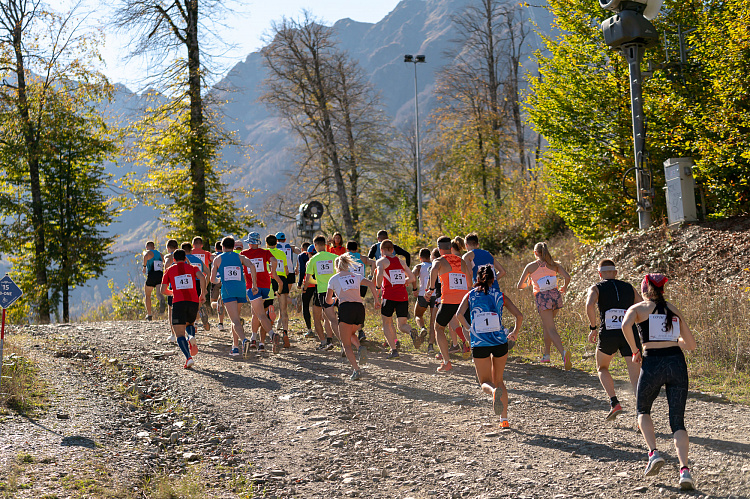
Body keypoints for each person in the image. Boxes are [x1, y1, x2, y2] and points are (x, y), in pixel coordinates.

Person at [621, 274, 696, 490]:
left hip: (652, 363)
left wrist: (636, 350)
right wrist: (672, 340)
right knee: (678, 422)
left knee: (642, 410)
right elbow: (690, 344)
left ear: (644, 290)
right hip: (676, 363)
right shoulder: (673, 309)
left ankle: (653, 453)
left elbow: (626, 326)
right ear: (662, 290)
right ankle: (684, 471)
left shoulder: (638, 308)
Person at [457, 264, 522, 428]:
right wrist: (514, 332)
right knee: (499, 380)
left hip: (480, 342)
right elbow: (519, 315)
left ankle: (493, 393)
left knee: (485, 382)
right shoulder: (500, 295)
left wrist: (468, 328)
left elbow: (458, 314)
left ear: (477, 279)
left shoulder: (471, 295)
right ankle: (504, 420)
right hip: (500, 341)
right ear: (493, 279)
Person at [585, 259, 643, 420]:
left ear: (599, 273)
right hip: (629, 334)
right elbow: (642, 306)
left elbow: (589, 305)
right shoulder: (629, 287)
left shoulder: (596, 288)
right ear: (616, 273)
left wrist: (593, 327)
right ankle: (641, 414)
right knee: (636, 377)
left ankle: (614, 402)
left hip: (608, 334)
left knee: (602, 367)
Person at [516, 242, 572, 370]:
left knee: (550, 328)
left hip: (543, 298)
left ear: (535, 253)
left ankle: (564, 354)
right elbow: (567, 277)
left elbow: (519, 286)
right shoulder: (554, 265)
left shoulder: (530, 267)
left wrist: (529, 283)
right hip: (556, 296)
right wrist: (564, 287)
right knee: (548, 325)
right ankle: (546, 355)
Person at [326, 254, 380, 380]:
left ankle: (356, 370)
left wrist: (334, 300)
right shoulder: (356, 276)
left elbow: (328, 300)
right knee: (350, 333)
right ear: (347, 265)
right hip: (359, 309)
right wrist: (376, 301)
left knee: (346, 344)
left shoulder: (333, 279)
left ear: (336, 266)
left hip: (346, 309)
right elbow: (372, 285)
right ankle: (360, 347)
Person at [424, 236, 472, 372]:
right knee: (469, 327)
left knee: (439, 328)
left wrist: (431, 289)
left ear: (439, 249)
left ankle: (446, 362)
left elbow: (433, 270)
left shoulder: (439, 260)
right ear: (451, 248)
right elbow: (469, 277)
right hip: (464, 300)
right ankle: (481, 355)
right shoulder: (461, 261)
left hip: (449, 301)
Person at [210, 236, 259, 357]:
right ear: (233, 246)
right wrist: (254, 284)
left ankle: (244, 340)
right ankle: (235, 347)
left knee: (235, 320)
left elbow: (212, 279)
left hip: (228, 290)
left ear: (222, 247)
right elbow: (252, 266)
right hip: (240, 289)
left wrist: (219, 280)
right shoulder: (240, 257)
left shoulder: (217, 259)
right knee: (236, 319)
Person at [160, 249, 207, 369]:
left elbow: (163, 290)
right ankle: (191, 336)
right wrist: (202, 293)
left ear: (174, 260)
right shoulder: (192, 268)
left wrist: (173, 292)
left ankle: (188, 358)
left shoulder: (169, 270)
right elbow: (202, 277)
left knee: (179, 334)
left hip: (179, 302)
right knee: (190, 323)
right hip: (193, 301)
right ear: (185, 259)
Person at [375, 239, 419, 359]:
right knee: (402, 325)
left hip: (389, 295)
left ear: (382, 250)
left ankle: (394, 350)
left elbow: (379, 275)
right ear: (393, 250)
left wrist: (378, 288)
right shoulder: (401, 261)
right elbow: (412, 278)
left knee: (387, 323)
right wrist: (403, 281)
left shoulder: (381, 261)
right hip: (402, 296)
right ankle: (411, 331)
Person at [240, 232, 283, 353]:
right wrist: (273, 273)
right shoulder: (265, 252)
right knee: (256, 312)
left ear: (249, 242)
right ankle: (255, 339)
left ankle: (272, 335)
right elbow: (274, 261)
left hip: (253, 287)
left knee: (260, 315)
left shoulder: (244, 254)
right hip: (265, 286)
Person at [306, 235, 339, 351]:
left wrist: (317, 281)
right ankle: (329, 341)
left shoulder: (313, 260)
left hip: (323, 291)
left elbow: (308, 279)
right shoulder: (335, 257)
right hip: (337, 290)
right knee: (327, 317)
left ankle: (341, 343)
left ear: (315, 246)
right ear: (325, 245)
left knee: (330, 318)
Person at [345, 240, 376, 341]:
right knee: (359, 305)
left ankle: (352, 329)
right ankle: (360, 330)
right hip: (361, 284)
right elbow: (374, 263)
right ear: (357, 248)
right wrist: (371, 276)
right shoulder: (362, 257)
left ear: (347, 248)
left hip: (350, 283)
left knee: (350, 306)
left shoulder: (345, 257)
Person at [267, 234, 292, 349]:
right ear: (276, 243)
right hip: (282, 279)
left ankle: (271, 334)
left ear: (266, 243)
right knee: (284, 310)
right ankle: (285, 333)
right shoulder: (282, 253)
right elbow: (287, 271)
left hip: (270, 279)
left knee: (267, 307)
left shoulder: (265, 252)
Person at [182, 242, 210, 333]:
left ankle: (192, 324)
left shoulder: (183, 260)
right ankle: (196, 322)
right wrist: (204, 287)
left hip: (187, 284)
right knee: (196, 305)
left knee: (187, 306)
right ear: (191, 250)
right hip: (198, 283)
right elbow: (208, 272)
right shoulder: (198, 260)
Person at [412, 248, 436, 351]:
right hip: (435, 295)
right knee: (433, 321)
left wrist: (414, 288)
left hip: (423, 294)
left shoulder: (419, 266)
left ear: (420, 257)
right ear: (430, 257)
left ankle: (422, 328)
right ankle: (430, 346)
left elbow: (413, 275)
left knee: (418, 315)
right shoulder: (435, 265)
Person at [297, 242, 316, 338]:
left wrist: (300, 284)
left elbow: (302, 271)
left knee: (305, 306)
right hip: (319, 285)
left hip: (307, 284)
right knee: (322, 307)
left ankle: (309, 330)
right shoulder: (320, 257)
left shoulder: (302, 256)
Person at [142, 241, 164, 321]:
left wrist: (144, 267)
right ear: (154, 247)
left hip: (151, 275)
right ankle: (161, 300)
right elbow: (165, 260)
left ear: (147, 247)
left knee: (147, 295)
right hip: (160, 275)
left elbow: (145, 256)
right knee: (159, 293)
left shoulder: (148, 252)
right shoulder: (159, 253)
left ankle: (149, 314)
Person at [163, 239, 179, 343]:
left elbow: (166, 271)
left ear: (168, 248)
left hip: (172, 287)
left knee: (171, 311)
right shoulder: (183, 257)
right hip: (184, 286)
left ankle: (173, 334)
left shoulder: (168, 257)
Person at [210, 240, 226, 331]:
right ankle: (221, 323)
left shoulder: (213, 256)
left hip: (215, 280)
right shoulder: (225, 256)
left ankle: (217, 304)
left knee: (213, 302)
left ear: (216, 248)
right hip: (224, 280)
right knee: (222, 301)